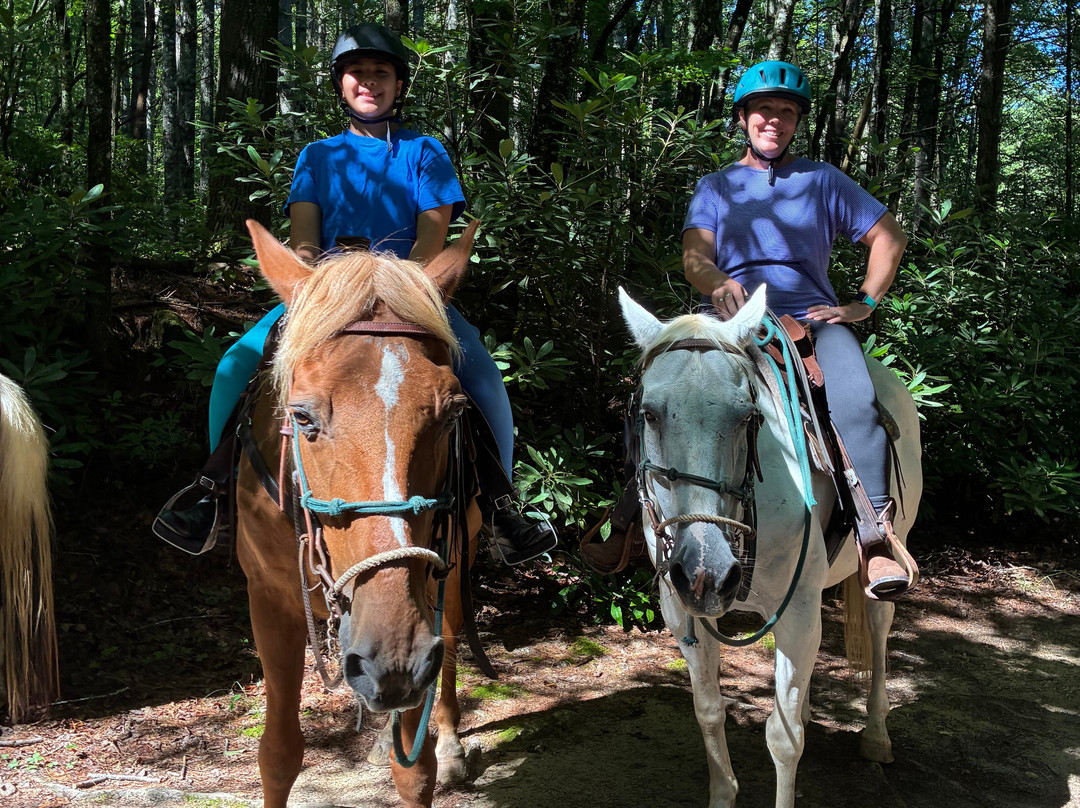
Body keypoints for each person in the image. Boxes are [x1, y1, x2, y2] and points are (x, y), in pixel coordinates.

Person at [153, 22, 557, 566]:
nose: (369, 81)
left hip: (410, 295)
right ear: (341, 84)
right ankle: (212, 491)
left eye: (381, 73)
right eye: (357, 73)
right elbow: (302, 242)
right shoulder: (318, 156)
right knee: (233, 364)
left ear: (399, 83)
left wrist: (390, 292)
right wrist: (314, 282)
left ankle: (504, 505)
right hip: (328, 294)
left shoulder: (426, 153)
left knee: (480, 371)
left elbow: (432, 240)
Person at [584, 60, 914, 600]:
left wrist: (863, 303)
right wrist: (715, 282)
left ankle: (875, 539)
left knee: (854, 398)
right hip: (727, 327)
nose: (775, 120)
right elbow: (695, 258)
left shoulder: (823, 181)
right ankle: (629, 515)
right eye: (764, 110)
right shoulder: (715, 187)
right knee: (660, 399)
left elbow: (889, 238)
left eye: (786, 112)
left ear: (795, 123)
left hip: (808, 321)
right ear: (742, 118)